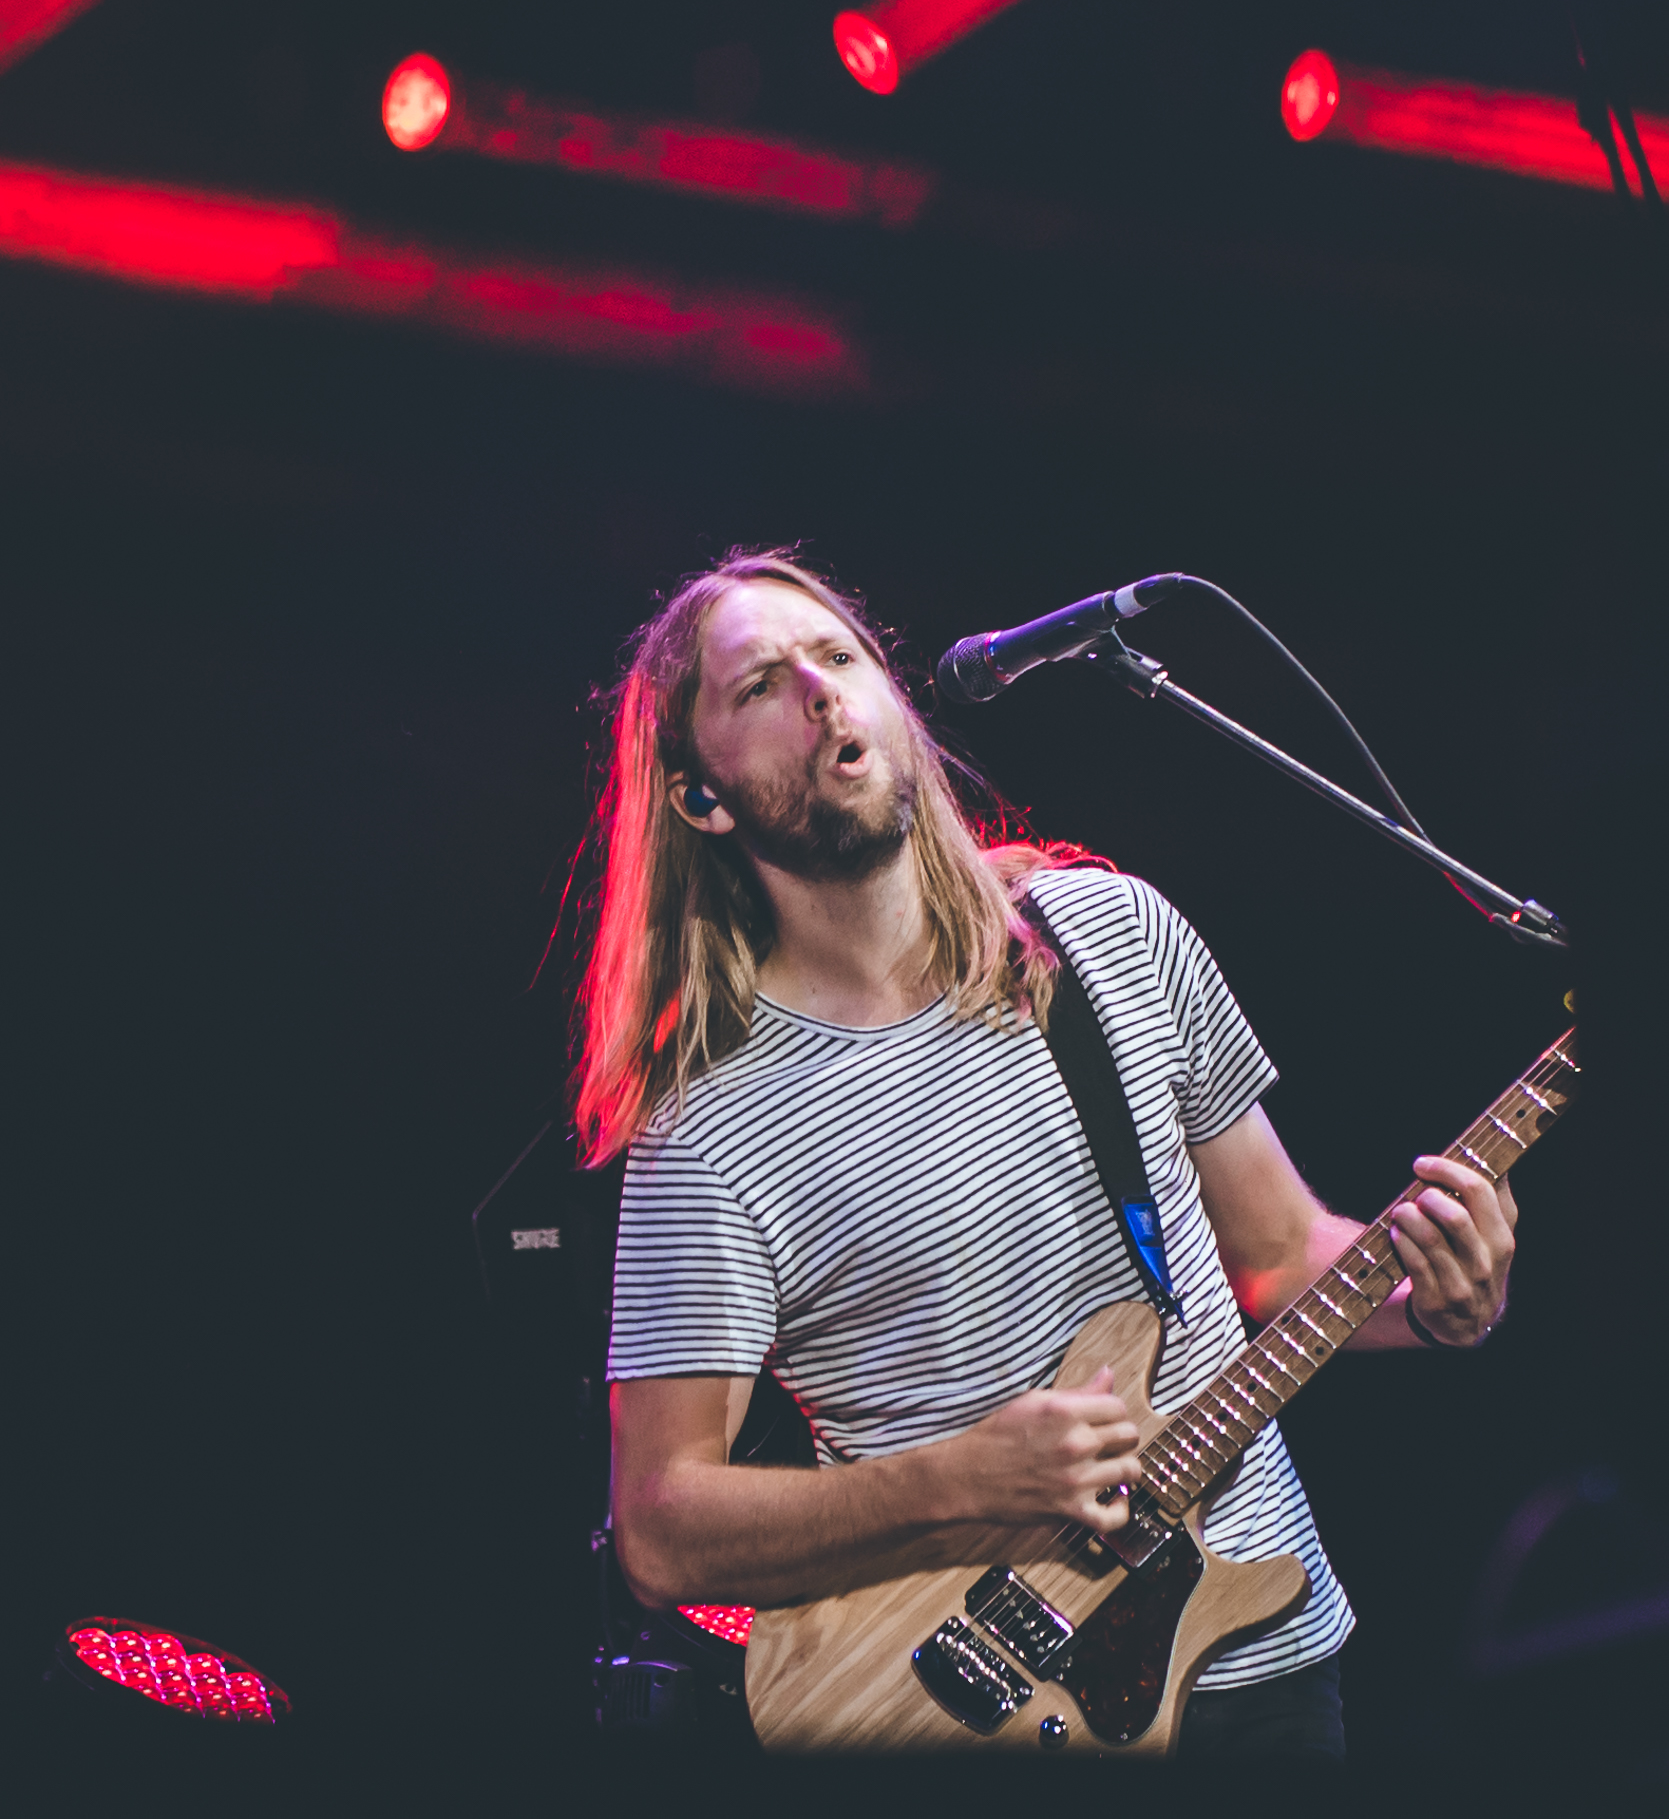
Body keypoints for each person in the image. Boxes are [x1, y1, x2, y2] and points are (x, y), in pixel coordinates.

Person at [576, 551, 1517, 1761]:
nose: (821, 693)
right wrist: (959, 1477)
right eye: (761, 682)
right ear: (700, 795)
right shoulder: (703, 1127)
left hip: (1267, 1670)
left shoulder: (1110, 934)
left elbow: (1280, 1258)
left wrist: (1438, 1299)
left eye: (842, 658)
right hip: (981, 1708)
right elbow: (660, 1529)